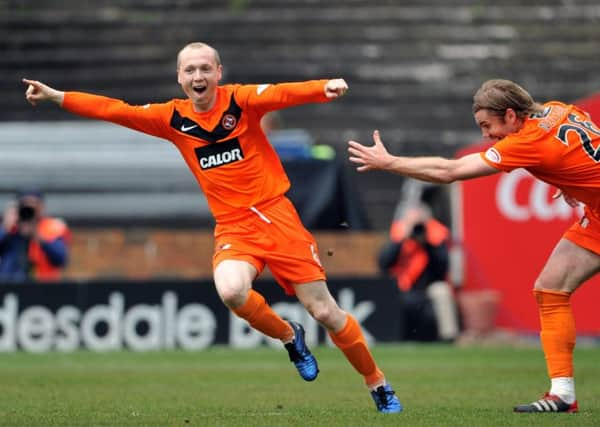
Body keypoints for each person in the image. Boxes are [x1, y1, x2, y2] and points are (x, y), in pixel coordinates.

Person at [22, 41, 402, 413]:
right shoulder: (172, 118)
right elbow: (113, 109)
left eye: (205, 68)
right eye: (190, 70)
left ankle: (378, 384)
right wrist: (57, 96)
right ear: (180, 78)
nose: (198, 75)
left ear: (218, 73)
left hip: (277, 218)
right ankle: (290, 336)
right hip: (234, 227)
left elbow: (281, 94)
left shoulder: (239, 101)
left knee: (325, 311)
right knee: (232, 290)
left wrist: (322, 87)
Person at [348, 78, 600, 413]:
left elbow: (450, 170)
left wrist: (390, 162)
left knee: (551, 290)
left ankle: (564, 393)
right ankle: (563, 394)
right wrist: (569, 180)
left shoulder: (527, 141)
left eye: (487, 125)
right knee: (550, 289)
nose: (485, 135)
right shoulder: (558, 109)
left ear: (511, 115)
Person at [378, 203, 459, 342]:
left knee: (442, 291)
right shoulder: (398, 235)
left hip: (429, 286)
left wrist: (427, 244)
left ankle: (449, 337)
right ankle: (391, 337)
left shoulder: (435, 237)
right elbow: (384, 264)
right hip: (403, 284)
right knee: (389, 292)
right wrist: (402, 239)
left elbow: (442, 269)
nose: (417, 229)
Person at [0, 189, 70, 282]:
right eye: (25, 205)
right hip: (10, 288)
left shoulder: (51, 228)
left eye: (34, 204)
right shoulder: (11, 229)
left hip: (43, 288)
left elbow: (61, 259)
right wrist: (5, 228)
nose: (29, 209)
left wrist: (37, 235)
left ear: (42, 207)